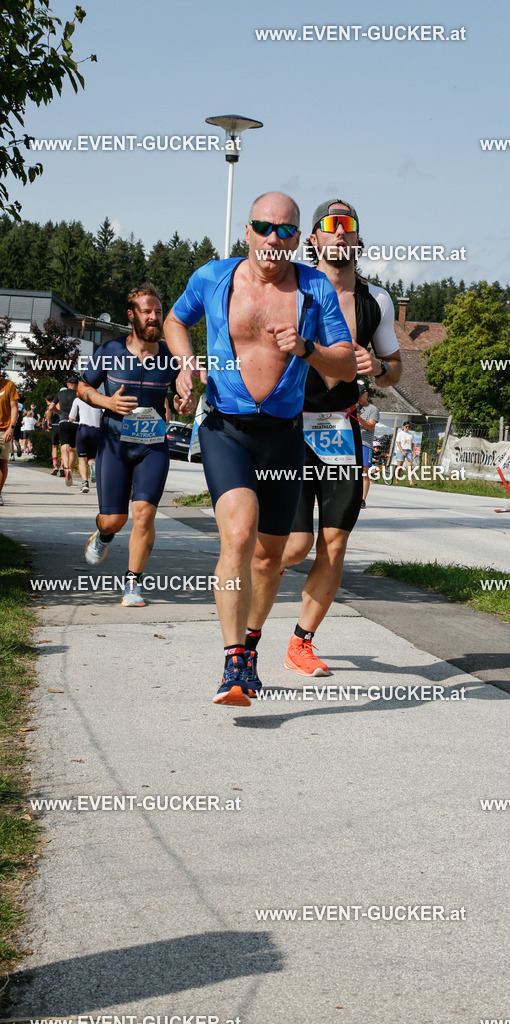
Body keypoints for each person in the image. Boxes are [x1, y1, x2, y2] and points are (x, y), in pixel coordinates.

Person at [163, 191, 357, 706]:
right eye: (263, 228)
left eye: (286, 230)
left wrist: (307, 348)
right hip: (226, 429)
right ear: (246, 231)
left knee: (270, 560)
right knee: (240, 534)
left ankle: (250, 648)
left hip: (284, 438)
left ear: (298, 238)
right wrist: (185, 364)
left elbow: (345, 365)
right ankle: (231, 665)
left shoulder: (314, 288)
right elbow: (175, 321)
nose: (274, 239)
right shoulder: (212, 277)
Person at [281, 199, 402, 676]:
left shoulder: (377, 300)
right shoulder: (292, 288)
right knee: (292, 547)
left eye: (347, 226)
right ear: (313, 239)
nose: (339, 234)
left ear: (357, 237)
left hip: (340, 429)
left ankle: (301, 642)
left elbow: (395, 370)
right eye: (329, 227)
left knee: (334, 542)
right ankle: (242, 600)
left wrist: (380, 368)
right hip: (289, 426)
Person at [77, 285, 196, 605]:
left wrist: (186, 402)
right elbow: (82, 386)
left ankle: (132, 584)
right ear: (132, 315)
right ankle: (103, 535)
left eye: (158, 311)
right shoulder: (111, 351)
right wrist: (106, 402)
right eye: (147, 312)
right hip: (115, 445)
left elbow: (182, 395)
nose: (154, 317)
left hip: (152, 446)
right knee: (114, 520)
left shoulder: (171, 357)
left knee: (144, 515)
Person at [49, 375, 80, 486]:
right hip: (76, 423)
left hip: (63, 422)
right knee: (72, 449)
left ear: (67, 384)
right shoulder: (79, 394)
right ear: (77, 385)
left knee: (64, 446)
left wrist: (59, 412)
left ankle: (66, 467)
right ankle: (71, 469)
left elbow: (50, 407)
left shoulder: (60, 394)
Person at [69, 395, 102, 493]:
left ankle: (85, 483)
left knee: (82, 459)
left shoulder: (78, 399)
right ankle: (93, 466)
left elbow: (71, 418)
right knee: (92, 458)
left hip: (83, 429)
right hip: (96, 430)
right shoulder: (99, 398)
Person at [357, 383, 380, 508]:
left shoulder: (373, 409)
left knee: (364, 472)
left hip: (365, 443)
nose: (358, 398)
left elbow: (370, 426)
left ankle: (362, 499)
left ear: (365, 394)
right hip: (351, 443)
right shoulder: (352, 407)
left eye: (360, 396)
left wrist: (359, 418)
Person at [0, 374, 20, 506]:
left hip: (3, 431)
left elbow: (14, 408)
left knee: (2, 464)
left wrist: (11, 428)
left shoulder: (9, 385)